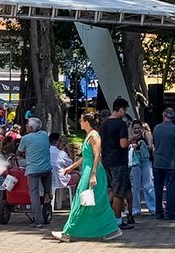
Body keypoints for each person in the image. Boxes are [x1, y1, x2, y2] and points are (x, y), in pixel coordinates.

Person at [54, 112, 121, 241]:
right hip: (88, 169)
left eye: (81, 120)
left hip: (92, 170)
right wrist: (71, 167)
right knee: (93, 201)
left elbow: (97, 156)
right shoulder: (89, 135)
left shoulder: (94, 136)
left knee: (84, 200)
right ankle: (112, 229)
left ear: (87, 122)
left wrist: (93, 174)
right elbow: (86, 156)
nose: (80, 122)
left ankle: (67, 232)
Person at [101, 98, 134, 228]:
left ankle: (107, 217)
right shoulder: (121, 124)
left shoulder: (103, 124)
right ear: (121, 109)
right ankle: (118, 221)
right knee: (119, 193)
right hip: (119, 162)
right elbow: (123, 143)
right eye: (124, 110)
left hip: (106, 160)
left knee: (110, 190)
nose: (124, 113)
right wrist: (132, 139)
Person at [16, 116, 53, 225]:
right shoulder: (44, 135)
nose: (26, 127)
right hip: (46, 169)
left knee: (34, 194)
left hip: (33, 170)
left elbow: (18, 152)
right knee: (46, 184)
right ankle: (47, 195)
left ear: (31, 128)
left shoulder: (26, 138)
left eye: (27, 125)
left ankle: (38, 220)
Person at [151, 107, 175, 220]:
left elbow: (154, 142)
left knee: (158, 188)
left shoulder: (157, 128)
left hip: (158, 162)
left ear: (164, 116)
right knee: (171, 188)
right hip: (171, 163)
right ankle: (170, 212)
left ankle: (158, 211)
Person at [127, 118, 156, 217]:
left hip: (145, 159)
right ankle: (135, 208)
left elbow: (151, 147)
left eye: (138, 128)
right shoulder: (130, 136)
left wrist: (143, 145)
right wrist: (133, 145)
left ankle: (153, 207)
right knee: (135, 186)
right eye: (135, 128)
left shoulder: (146, 134)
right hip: (135, 160)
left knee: (148, 184)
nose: (136, 130)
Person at [49, 132, 73, 212]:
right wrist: (68, 150)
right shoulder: (61, 153)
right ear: (57, 142)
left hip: (48, 179)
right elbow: (70, 164)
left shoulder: (45, 152)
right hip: (60, 178)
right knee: (78, 175)